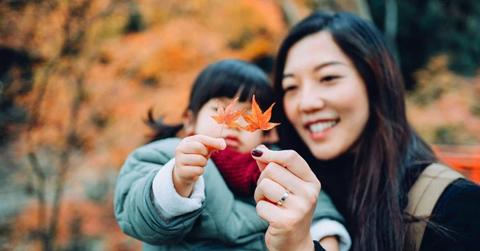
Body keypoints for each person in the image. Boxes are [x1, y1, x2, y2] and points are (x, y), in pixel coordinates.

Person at [250, 11, 480, 251]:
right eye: (291, 87)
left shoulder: (455, 208)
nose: (306, 103)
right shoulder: (275, 188)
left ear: (375, 81)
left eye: (328, 77)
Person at [114, 59, 351, 250]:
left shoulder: (277, 166)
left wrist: (325, 238)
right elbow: (135, 215)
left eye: (248, 115)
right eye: (220, 109)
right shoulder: (169, 155)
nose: (234, 123)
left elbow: (314, 204)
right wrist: (176, 181)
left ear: (268, 134)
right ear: (189, 120)